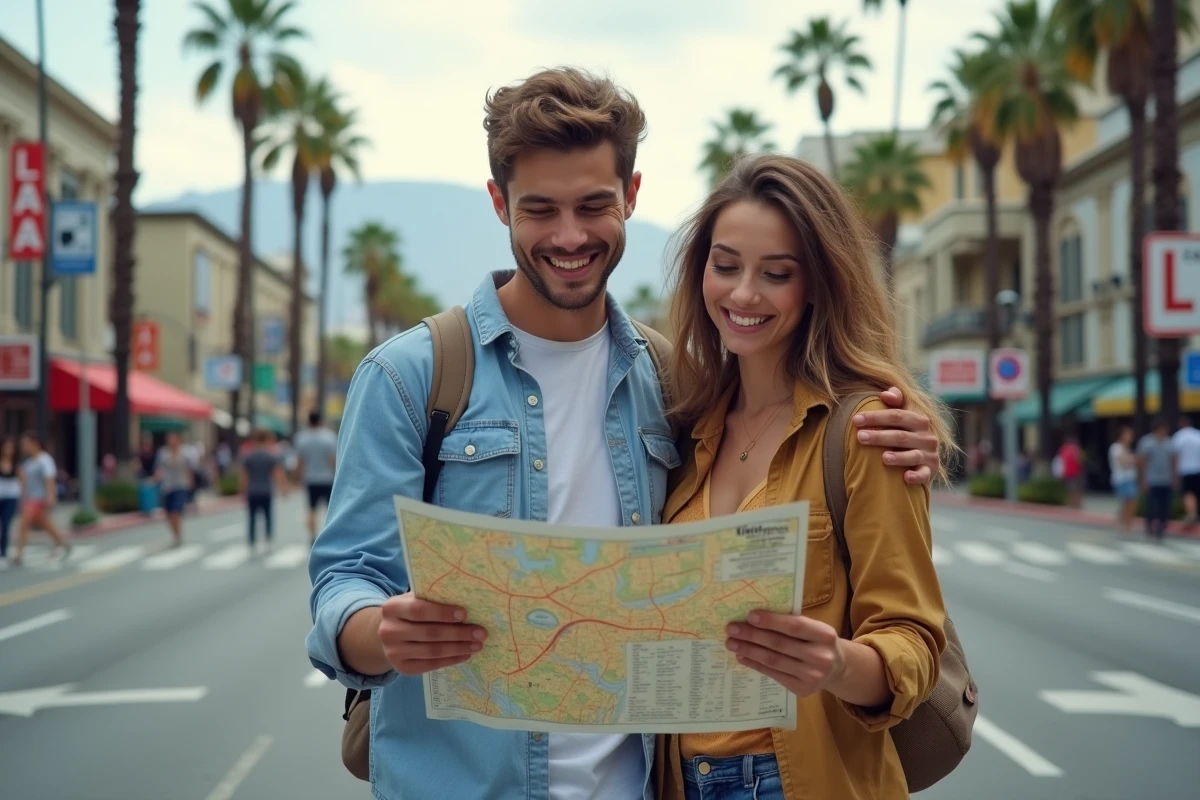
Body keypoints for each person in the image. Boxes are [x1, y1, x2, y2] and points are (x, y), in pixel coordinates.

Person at [305, 68, 942, 800]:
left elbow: (794, 431)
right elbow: (344, 577)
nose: (569, 236)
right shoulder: (410, 377)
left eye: (594, 206)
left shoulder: (676, 382)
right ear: (498, 203)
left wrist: (901, 431)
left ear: (632, 198)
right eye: (539, 209)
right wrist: (377, 631)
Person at [650, 155, 951, 800]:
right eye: (725, 265)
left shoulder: (867, 429)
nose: (744, 294)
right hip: (677, 780)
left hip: (798, 778)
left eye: (776, 274)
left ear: (816, 283)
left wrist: (837, 663)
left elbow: (913, 642)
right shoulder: (682, 424)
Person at [11, 432, 71, 565]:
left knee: (24, 522)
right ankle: (62, 543)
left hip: (40, 498)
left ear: (34, 443)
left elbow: (49, 479)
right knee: (45, 524)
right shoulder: (27, 463)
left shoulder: (45, 459)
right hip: (30, 498)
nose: (24, 447)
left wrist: (51, 496)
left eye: (26, 444)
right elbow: (24, 483)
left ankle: (19, 553)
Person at [294, 409, 338, 544]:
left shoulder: (301, 438)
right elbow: (332, 460)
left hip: (310, 479)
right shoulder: (329, 437)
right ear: (321, 420)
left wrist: (297, 479)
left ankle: (313, 537)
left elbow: (300, 462)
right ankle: (329, 536)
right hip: (328, 479)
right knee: (330, 510)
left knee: (311, 510)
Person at [241, 429, 288, 552]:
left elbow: (245, 476)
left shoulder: (249, 457)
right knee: (268, 516)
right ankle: (267, 540)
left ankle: (252, 543)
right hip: (266, 490)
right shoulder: (270, 457)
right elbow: (277, 474)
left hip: (252, 491)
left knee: (252, 517)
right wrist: (283, 489)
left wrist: (243, 491)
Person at [1138, 419, 1176, 541]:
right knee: (1152, 505)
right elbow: (1143, 462)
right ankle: (1150, 525)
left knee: (1165, 505)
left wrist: (1175, 478)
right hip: (1152, 479)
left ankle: (1161, 528)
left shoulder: (1169, 443)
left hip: (1166, 479)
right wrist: (1143, 479)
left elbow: (1173, 461)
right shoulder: (1147, 442)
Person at [154, 431, 194, 547]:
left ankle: (177, 536)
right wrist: (155, 478)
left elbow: (189, 469)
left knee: (176, 512)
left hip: (180, 486)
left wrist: (190, 482)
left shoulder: (184, 453)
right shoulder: (163, 453)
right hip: (166, 487)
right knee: (168, 514)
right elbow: (158, 468)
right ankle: (175, 534)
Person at [1108, 426, 1139, 535]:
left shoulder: (1128, 448)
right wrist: (1132, 459)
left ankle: (1128, 525)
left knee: (1132, 503)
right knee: (1126, 503)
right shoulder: (1116, 447)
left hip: (1131, 478)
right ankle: (1124, 524)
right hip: (1121, 479)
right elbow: (1123, 462)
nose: (1130, 437)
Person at [1171, 415, 1200, 526]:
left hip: (1185, 469)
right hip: (1198, 468)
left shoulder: (1179, 437)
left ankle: (1191, 514)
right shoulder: (1197, 435)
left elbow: (1175, 456)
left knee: (1188, 494)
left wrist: (1174, 473)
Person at [0, 436, 20, 570]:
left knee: (6, 525)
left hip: (11, 497)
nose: (8, 450)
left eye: (10, 447)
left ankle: (3, 554)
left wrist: (23, 500)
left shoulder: (16, 463)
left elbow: (22, 481)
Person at [1054, 434, 1085, 509]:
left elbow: (1059, 461)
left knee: (1069, 489)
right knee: (1076, 489)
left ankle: (1070, 504)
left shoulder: (1063, 449)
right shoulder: (1076, 449)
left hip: (1067, 473)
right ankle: (1077, 504)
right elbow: (1080, 460)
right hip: (1075, 472)